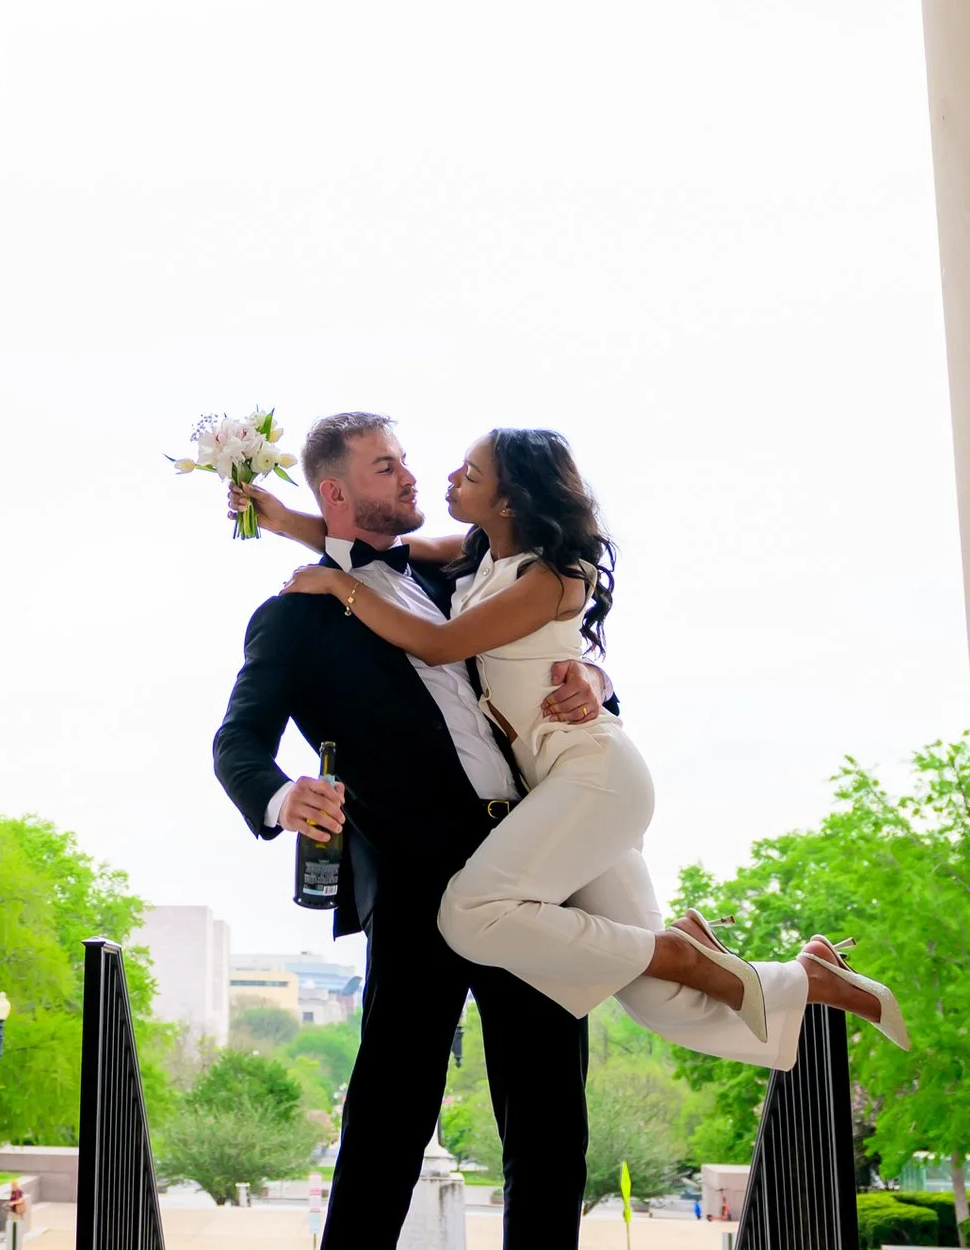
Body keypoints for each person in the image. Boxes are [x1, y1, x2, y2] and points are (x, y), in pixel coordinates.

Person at [213, 413, 673, 1250]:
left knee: (553, 1128)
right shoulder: (295, 618)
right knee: (383, 1133)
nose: (413, 473)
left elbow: (557, 653)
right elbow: (236, 741)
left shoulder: (464, 573)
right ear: (339, 495)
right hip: (419, 895)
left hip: (530, 872)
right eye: (388, 465)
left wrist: (592, 685)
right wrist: (282, 798)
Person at [251, 425, 908, 1065]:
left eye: (471, 473)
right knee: (660, 1003)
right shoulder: (476, 558)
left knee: (471, 913)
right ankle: (807, 975)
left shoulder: (554, 576)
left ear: (509, 500)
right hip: (557, 789)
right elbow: (374, 541)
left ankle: (679, 950)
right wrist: (284, 521)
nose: (445, 477)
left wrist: (342, 586)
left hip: (595, 782)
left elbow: (439, 644)